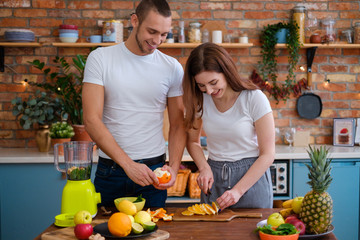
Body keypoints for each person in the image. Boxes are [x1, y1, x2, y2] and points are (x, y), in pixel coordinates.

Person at [82, 0, 186, 208]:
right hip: (111, 173)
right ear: (135, 20)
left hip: (154, 174)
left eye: (164, 34)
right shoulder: (100, 59)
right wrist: (129, 165)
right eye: (152, 31)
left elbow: (178, 123)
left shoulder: (172, 67)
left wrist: (173, 168)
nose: (157, 40)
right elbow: (91, 120)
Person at [182, 42, 275, 210]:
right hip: (214, 175)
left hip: (250, 178)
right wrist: (204, 168)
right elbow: (193, 142)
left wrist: (238, 191)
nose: (209, 91)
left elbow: (268, 154)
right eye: (201, 85)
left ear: (226, 71)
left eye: (213, 82)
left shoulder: (254, 98)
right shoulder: (200, 99)